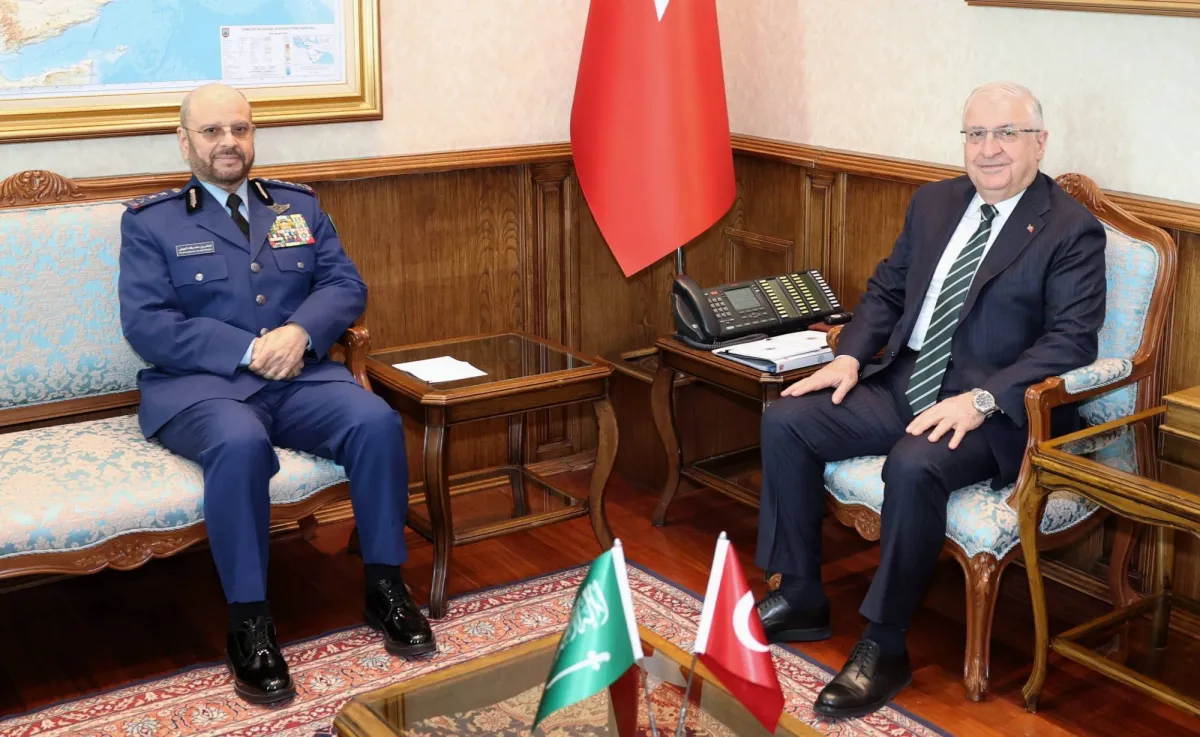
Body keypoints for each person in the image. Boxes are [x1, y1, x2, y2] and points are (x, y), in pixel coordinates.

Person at [753, 82, 1106, 718]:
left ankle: (885, 645)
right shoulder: (935, 202)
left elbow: (1071, 341)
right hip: (907, 380)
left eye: (1007, 133)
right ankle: (801, 594)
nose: (989, 148)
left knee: (914, 464)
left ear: (1039, 143)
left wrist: (983, 399)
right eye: (977, 134)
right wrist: (848, 357)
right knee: (787, 420)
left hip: (992, 408)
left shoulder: (1070, 229)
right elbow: (887, 292)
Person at [118, 83, 435, 706]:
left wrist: (300, 333)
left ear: (253, 135)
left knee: (375, 422)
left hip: (297, 378)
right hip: (202, 389)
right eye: (212, 131)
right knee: (239, 443)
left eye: (239, 129)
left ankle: (385, 587)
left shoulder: (297, 206)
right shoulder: (152, 222)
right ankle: (250, 623)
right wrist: (246, 350)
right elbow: (147, 325)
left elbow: (345, 285)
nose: (228, 142)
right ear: (184, 142)